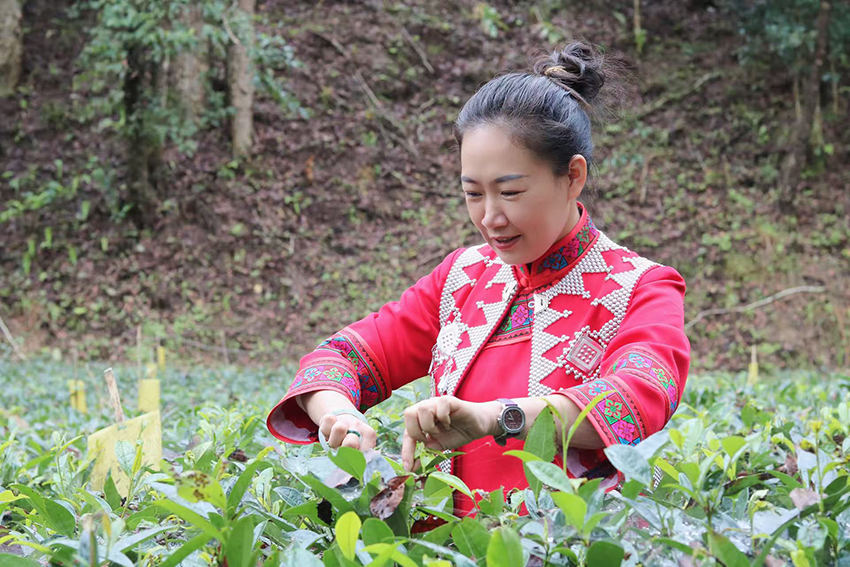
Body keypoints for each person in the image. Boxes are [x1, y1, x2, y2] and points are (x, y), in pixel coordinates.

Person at [267, 42, 690, 516]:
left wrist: (495, 417)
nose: (491, 218)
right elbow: (338, 358)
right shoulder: (463, 279)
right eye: (473, 193)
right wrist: (338, 414)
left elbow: (635, 400)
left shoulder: (641, 287)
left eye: (510, 192)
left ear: (572, 176)